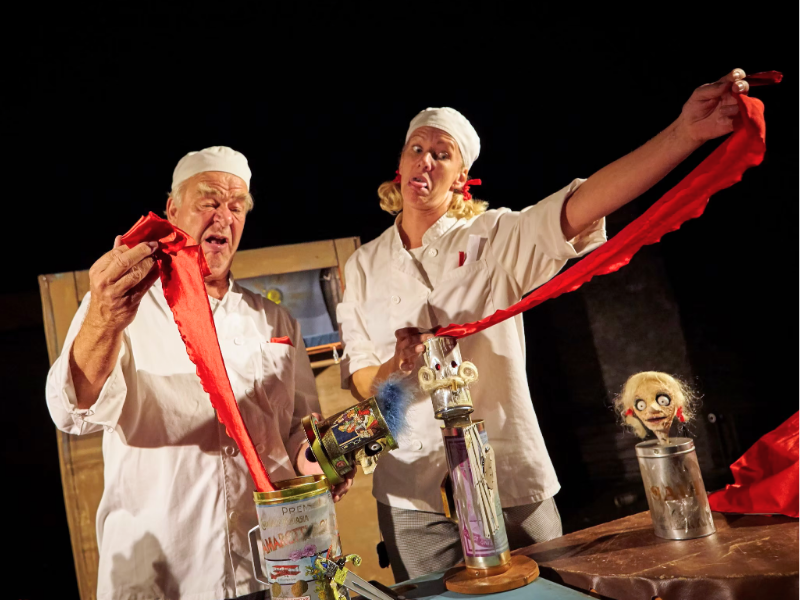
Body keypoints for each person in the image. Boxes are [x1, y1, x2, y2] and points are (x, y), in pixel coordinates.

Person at [337, 70, 750, 580]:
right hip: (410, 492)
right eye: (416, 149)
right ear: (400, 164)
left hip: (508, 477)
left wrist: (682, 134)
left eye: (442, 154)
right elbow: (362, 380)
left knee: (554, 588)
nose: (426, 160)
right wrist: (397, 366)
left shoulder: (494, 237)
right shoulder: (363, 265)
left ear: (462, 177)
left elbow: (581, 204)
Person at [46, 146, 352, 600]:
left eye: (237, 206)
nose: (223, 217)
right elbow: (71, 411)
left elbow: (294, 431)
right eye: (209, 201)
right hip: (163, 576)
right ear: (172, 211)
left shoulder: (275, 321)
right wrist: (104, 321)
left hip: (265, 570)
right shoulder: (123, 305)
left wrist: (317, 462)